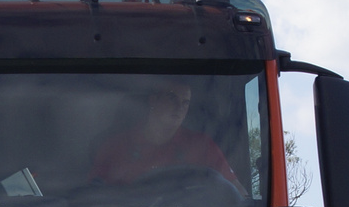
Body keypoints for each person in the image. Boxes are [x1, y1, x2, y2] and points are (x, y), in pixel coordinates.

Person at [90, 80, 243, 189]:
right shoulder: (115, 146)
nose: (179, 107)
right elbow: (93, 197)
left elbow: (236, 192)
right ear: (153, 100)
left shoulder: (202, 146)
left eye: (185, 102)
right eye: (172, 98)